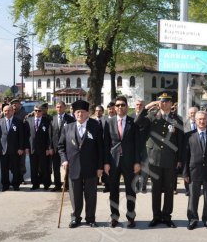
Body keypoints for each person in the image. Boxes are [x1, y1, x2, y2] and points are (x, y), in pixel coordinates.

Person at [135, 92, 184, 228]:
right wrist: (146, 107)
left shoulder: (177, 119)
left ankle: (167, 216)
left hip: (170, 159)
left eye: (167, 101)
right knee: (156, 189)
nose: (164, 103)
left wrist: (180, 159)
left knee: (169, 189)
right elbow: (137, 122)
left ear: (171, 103)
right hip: (154, 159)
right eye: (162, 101)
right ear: (158, 103)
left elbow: (180, 140)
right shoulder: (152, 116)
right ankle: (156, 216)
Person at [58, 100, 104, 228]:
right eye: (77, 112)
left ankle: (90, 218)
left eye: (83, 112)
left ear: (88, 113)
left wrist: (100, 167)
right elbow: (61, 147)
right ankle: (75, 217)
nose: (80, 114)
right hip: (73, 167)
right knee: (75, 195)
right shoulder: (68, 128)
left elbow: (101, 148)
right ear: (74, 113)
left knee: (91, 195)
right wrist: (64, 160)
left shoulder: (95, 126)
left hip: (91, 167)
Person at [103, 96, 141, 228]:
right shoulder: (109, 122)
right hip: (113, 162)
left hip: (130, 162)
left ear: (126, 106)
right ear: (114, 107)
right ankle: (114, 217)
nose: (120, 107)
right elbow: (106, 144)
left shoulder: (133, 122)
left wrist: (137, 162)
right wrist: (106, 163)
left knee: (131, 190)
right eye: (117, 105)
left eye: (122, 105)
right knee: (113, 191)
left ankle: (131, 217)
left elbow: (137, 144)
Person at [183, 111, 207, 231]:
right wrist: (185, 173)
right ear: (195, 120)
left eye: (204, 119)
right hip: (194, 171)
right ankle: (193, 219)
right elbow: (186, 156)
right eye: (199, 119)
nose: (202, 121)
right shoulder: (189, 135)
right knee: (193, 197)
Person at [0, 105, 25, 191]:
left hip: (15, 149)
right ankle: (5, 185)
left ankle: (15, 184)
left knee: (15, 168)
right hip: (3, 149)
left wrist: (21, 148)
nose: (7, 112)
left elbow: (21, 136)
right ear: (3, 112)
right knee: (4, 169)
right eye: (5, 111)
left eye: (9, 110)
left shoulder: (18, 122)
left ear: (13, 111)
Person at [25, 104, 52, 190]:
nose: (37, 112)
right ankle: (35, 184)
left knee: (44, 167)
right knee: (34, 168)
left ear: (42, 111)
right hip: (32, 148)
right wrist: (26, 147)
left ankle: (46, 184)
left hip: (43, 149)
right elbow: (26, 136)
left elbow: (49, 136)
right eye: (35, 110)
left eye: (39, 110)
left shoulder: (47, 121)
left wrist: (48, 148)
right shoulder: (28, 120)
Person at [50, 101, 75, 191]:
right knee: (56, 168)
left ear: (65, 107)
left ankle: (67, 185)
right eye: (57, 107)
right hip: (55, 148)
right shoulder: (52, 119)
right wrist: (50, 148)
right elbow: (50, 134)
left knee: (67, 167)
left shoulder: (70, 119)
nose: (59, 108)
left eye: (61, 107)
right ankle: (57, 185)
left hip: (67, 148)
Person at [131, 99, 149, 193]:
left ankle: (143, 185)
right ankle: (136, 184)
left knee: (145, 167)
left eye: (141, 104)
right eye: (137, 104)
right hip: (133, 146)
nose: (139, 106)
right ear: (135, 106)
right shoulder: (130, 117)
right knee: (135, 166)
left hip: (145, 146)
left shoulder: (147, 117)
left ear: (143, 106)